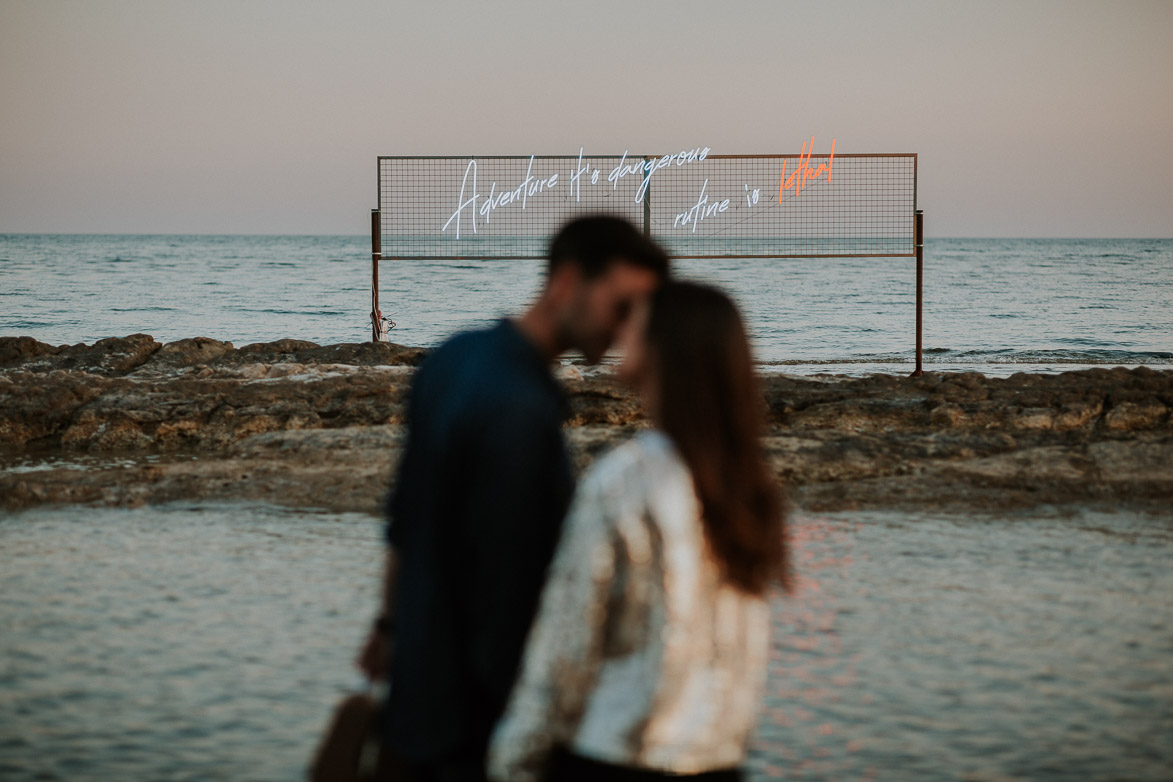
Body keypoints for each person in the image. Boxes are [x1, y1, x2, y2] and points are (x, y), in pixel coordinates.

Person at [355, 215, 671, 782]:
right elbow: (510, 594)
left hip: (417, 690)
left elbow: (406, 520)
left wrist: (386, 629)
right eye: (621, 306)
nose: (626, 329)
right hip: (476, 720)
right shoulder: (521, 410)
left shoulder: (453, 357)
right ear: (567, 283)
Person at [488, 281, 791, 782]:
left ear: (663, 348)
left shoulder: (624, 480)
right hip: (718, 758)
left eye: (634, 319)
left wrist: (513, 762)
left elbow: (564, 651)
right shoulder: (749, 489)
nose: (618, 327)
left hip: (617, 757)